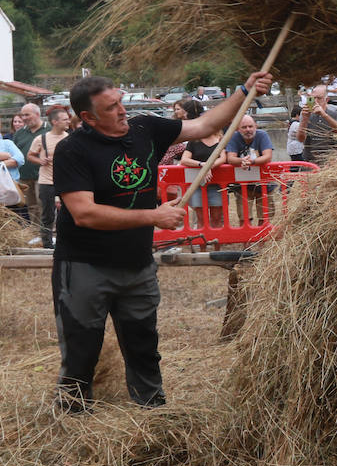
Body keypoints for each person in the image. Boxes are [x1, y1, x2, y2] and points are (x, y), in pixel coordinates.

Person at [52, 70, 272, 412]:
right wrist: (153, 216)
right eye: (111, 107)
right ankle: (73, 411)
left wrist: (244, 91)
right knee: (82, 344)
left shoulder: (144, 128)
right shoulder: (72, 150)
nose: (123, 111)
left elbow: (202, 126)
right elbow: (84, 213)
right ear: (88, 117)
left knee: (143, 341)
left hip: (136, 262)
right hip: (84, 264)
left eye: (121, 101)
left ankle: (152, 409)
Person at [27, 106, 71, 249]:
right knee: (47, 215)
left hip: (65, 182)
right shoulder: (41, 139)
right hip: (46, 182)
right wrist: (41, 161)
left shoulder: (70, 138)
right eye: (64, 119)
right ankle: (47, 245)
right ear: (54, 122)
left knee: (67, 213)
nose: (68, 121)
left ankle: (66, 241)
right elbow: (30, 156)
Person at [224, 114, 273, 225]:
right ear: (238, 128)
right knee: (244, 217)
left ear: (255, 126)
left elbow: (267, 156)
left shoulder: (262, 135)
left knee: (265, 216)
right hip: (243, 184)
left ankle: (262, 241)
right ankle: (247, 242)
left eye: (250, 126)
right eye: (244, 127)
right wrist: (242, 161)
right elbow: (230, 158)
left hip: (263, 183)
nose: (248, 130)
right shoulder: (234, 137)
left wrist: (252, 162)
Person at [13, 103, 45, 239]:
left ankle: (45, 232)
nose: (24, 118)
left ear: (37, 114)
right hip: (24, 176)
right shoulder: (20, 133)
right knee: (31, 205)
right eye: (22, 115)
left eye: (27, 115)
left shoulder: (48, 130)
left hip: (43, 175)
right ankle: (35, 232)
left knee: (42, 203)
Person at [0, 113, 24, 206]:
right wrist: (7, 155)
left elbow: (20, 159)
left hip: (11, 189)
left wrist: (1, 163)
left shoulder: (8, 143)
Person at [298, 84, 337, 166]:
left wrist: (324, 115)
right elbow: (300, 139)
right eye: (312, 98)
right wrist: (304, 119)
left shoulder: (335, 113)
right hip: (310, 160)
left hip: (331, 160)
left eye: (319, 98)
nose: (315, 101)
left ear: (327, 100)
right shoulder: (305, 114)